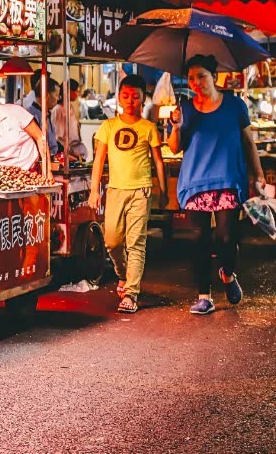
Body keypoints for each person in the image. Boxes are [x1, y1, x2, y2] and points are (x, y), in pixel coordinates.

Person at [167, 54, 266, 315]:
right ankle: (204, 295)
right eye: (191, 78)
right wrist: (176, 127)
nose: (196, 82)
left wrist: (258, 174)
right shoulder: (185, 109)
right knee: (199, 239)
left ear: (214, 77)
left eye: (201, 76)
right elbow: (175, 147)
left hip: (228, 180)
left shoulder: (234, 105)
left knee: (226, 237)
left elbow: (248, 142)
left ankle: (228, 273)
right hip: (194, 182)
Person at [88, 74, 166, 314]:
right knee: (112, 241)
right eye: (126, 96)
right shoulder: (108, 126)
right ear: (119, 98)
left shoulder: (148, 127)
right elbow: (99, 160)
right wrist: (94, 190)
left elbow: (158, 162)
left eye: (135, 96)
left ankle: (131, 293)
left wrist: (163, 191)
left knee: (136, 243)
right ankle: (123, 274)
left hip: (141, 191)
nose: (130, 100)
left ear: (143, 98)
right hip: (115, 190)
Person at [25, 70, 60, 155]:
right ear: (47, 96)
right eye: (57, 95)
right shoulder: (32, 115)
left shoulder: (46, 113)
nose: (58, 98)